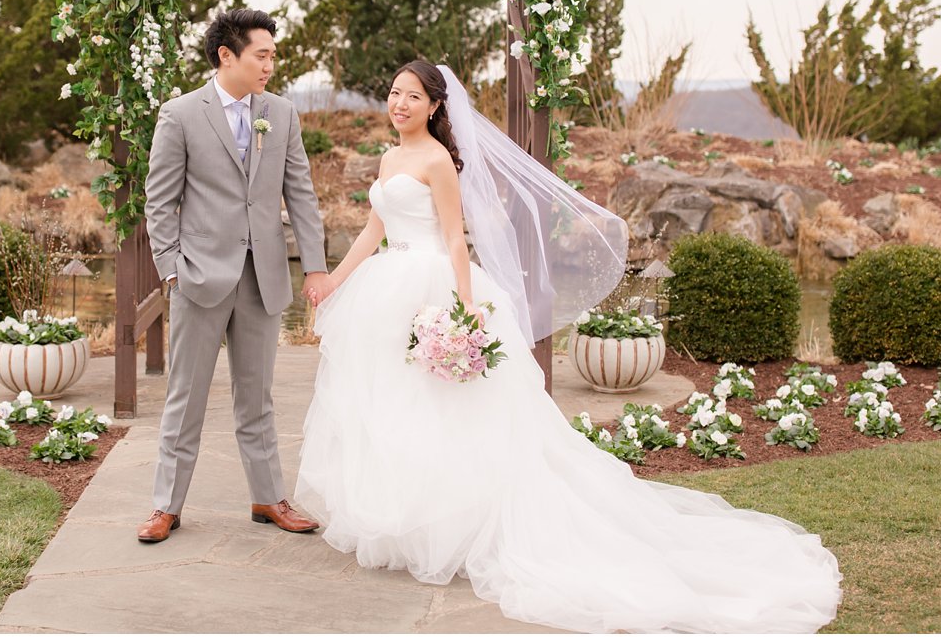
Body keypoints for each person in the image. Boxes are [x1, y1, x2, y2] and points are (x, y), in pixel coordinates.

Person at [294, 59, 843, 633]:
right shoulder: (389, 158)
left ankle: (463, 526)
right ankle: (411, 524)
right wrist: (336, 278)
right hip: (388, 288)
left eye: (411, 96)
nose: (398, 103)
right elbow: (374, 229)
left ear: (435, 106)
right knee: (396, 409)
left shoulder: (438, 161)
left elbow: (456, 239)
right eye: (392, 93)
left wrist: (463, 309)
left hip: (432, 286)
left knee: (450, 412)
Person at [139, 9, 335, 544]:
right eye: (262, 54)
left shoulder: (283, 114)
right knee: (186, 396)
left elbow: (301, 195)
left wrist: (315, 266)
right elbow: (160, 201)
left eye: (273, 54)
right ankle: (166, 505)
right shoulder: (180, 114)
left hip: (263, 276)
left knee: (258, 396)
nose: (271, 64)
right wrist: (171, 271)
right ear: (227, 55)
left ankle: (268, 497)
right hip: (199, 277)